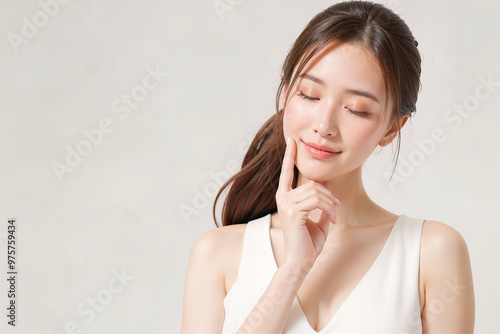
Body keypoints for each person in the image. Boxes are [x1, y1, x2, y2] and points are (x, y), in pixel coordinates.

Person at [180, 1, 475, 333]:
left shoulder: (432, 251)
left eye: (357, 109)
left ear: (392, 129)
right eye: (309, 95)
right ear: (286, 94)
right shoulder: (217, 254)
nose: (324, 124)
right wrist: (293, 268)